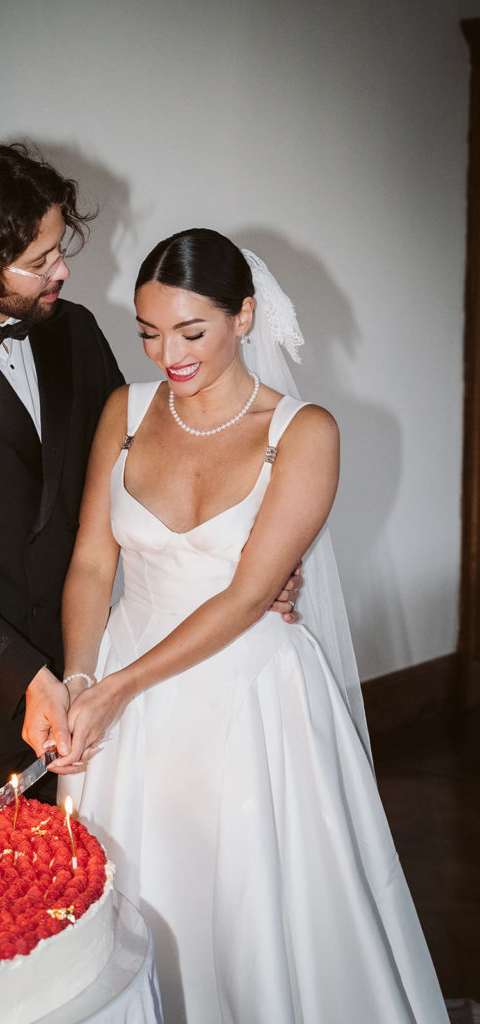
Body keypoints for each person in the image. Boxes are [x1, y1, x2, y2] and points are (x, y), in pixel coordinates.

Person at [50, 229, 449, 1023]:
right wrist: (79, 679)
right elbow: (94, 563)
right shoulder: (123, 412)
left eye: (191, 331)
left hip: (247, 692)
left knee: (251, 910)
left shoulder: (303, 432)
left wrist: (117, 689)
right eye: (149, 332)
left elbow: (246, 596)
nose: (169, 354)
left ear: (244, 316)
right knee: (129, 898)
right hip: (122, 675)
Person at [0, 140, 301, 796]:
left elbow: (139, 481)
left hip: (88, 685)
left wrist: (247, 566)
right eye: (38, 260)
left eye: (58, 249)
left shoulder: (73, 332)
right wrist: (29, 678)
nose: (62, 271)